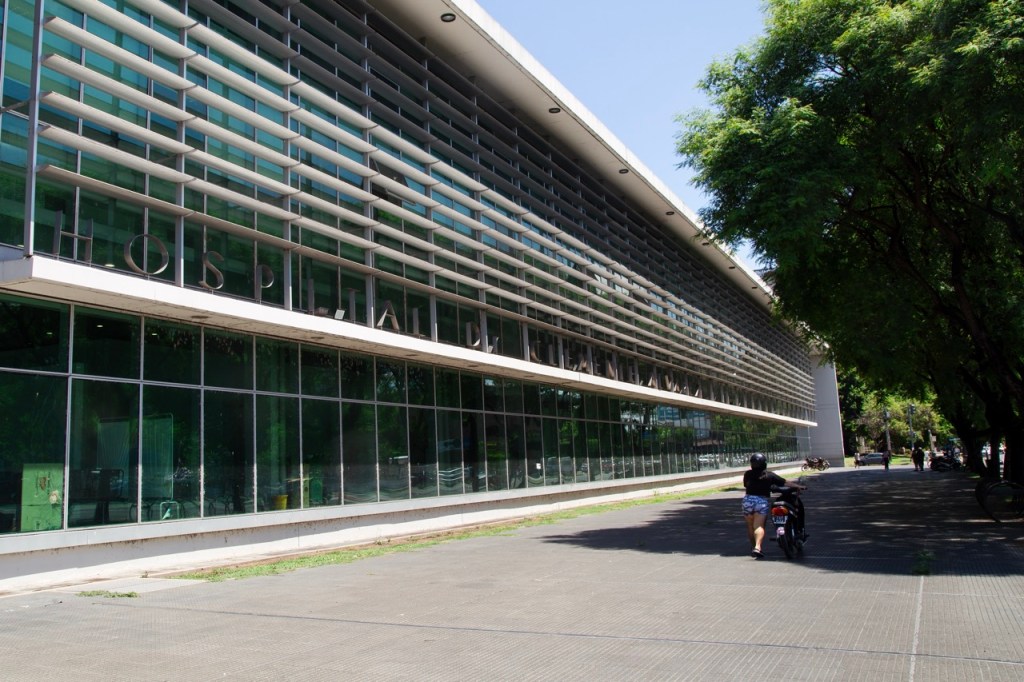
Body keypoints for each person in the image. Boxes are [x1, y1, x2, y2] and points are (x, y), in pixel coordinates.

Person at [742, 453, 806, 559]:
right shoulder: (769, 475)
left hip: (747, 500)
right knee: (758, 526)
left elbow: (746, 485)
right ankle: (757, 547)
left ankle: (753, 547)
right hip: (761, 501)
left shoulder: (747, 474)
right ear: (764, 463)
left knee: (750, 526)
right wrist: (798, 486)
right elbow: (785, 482)